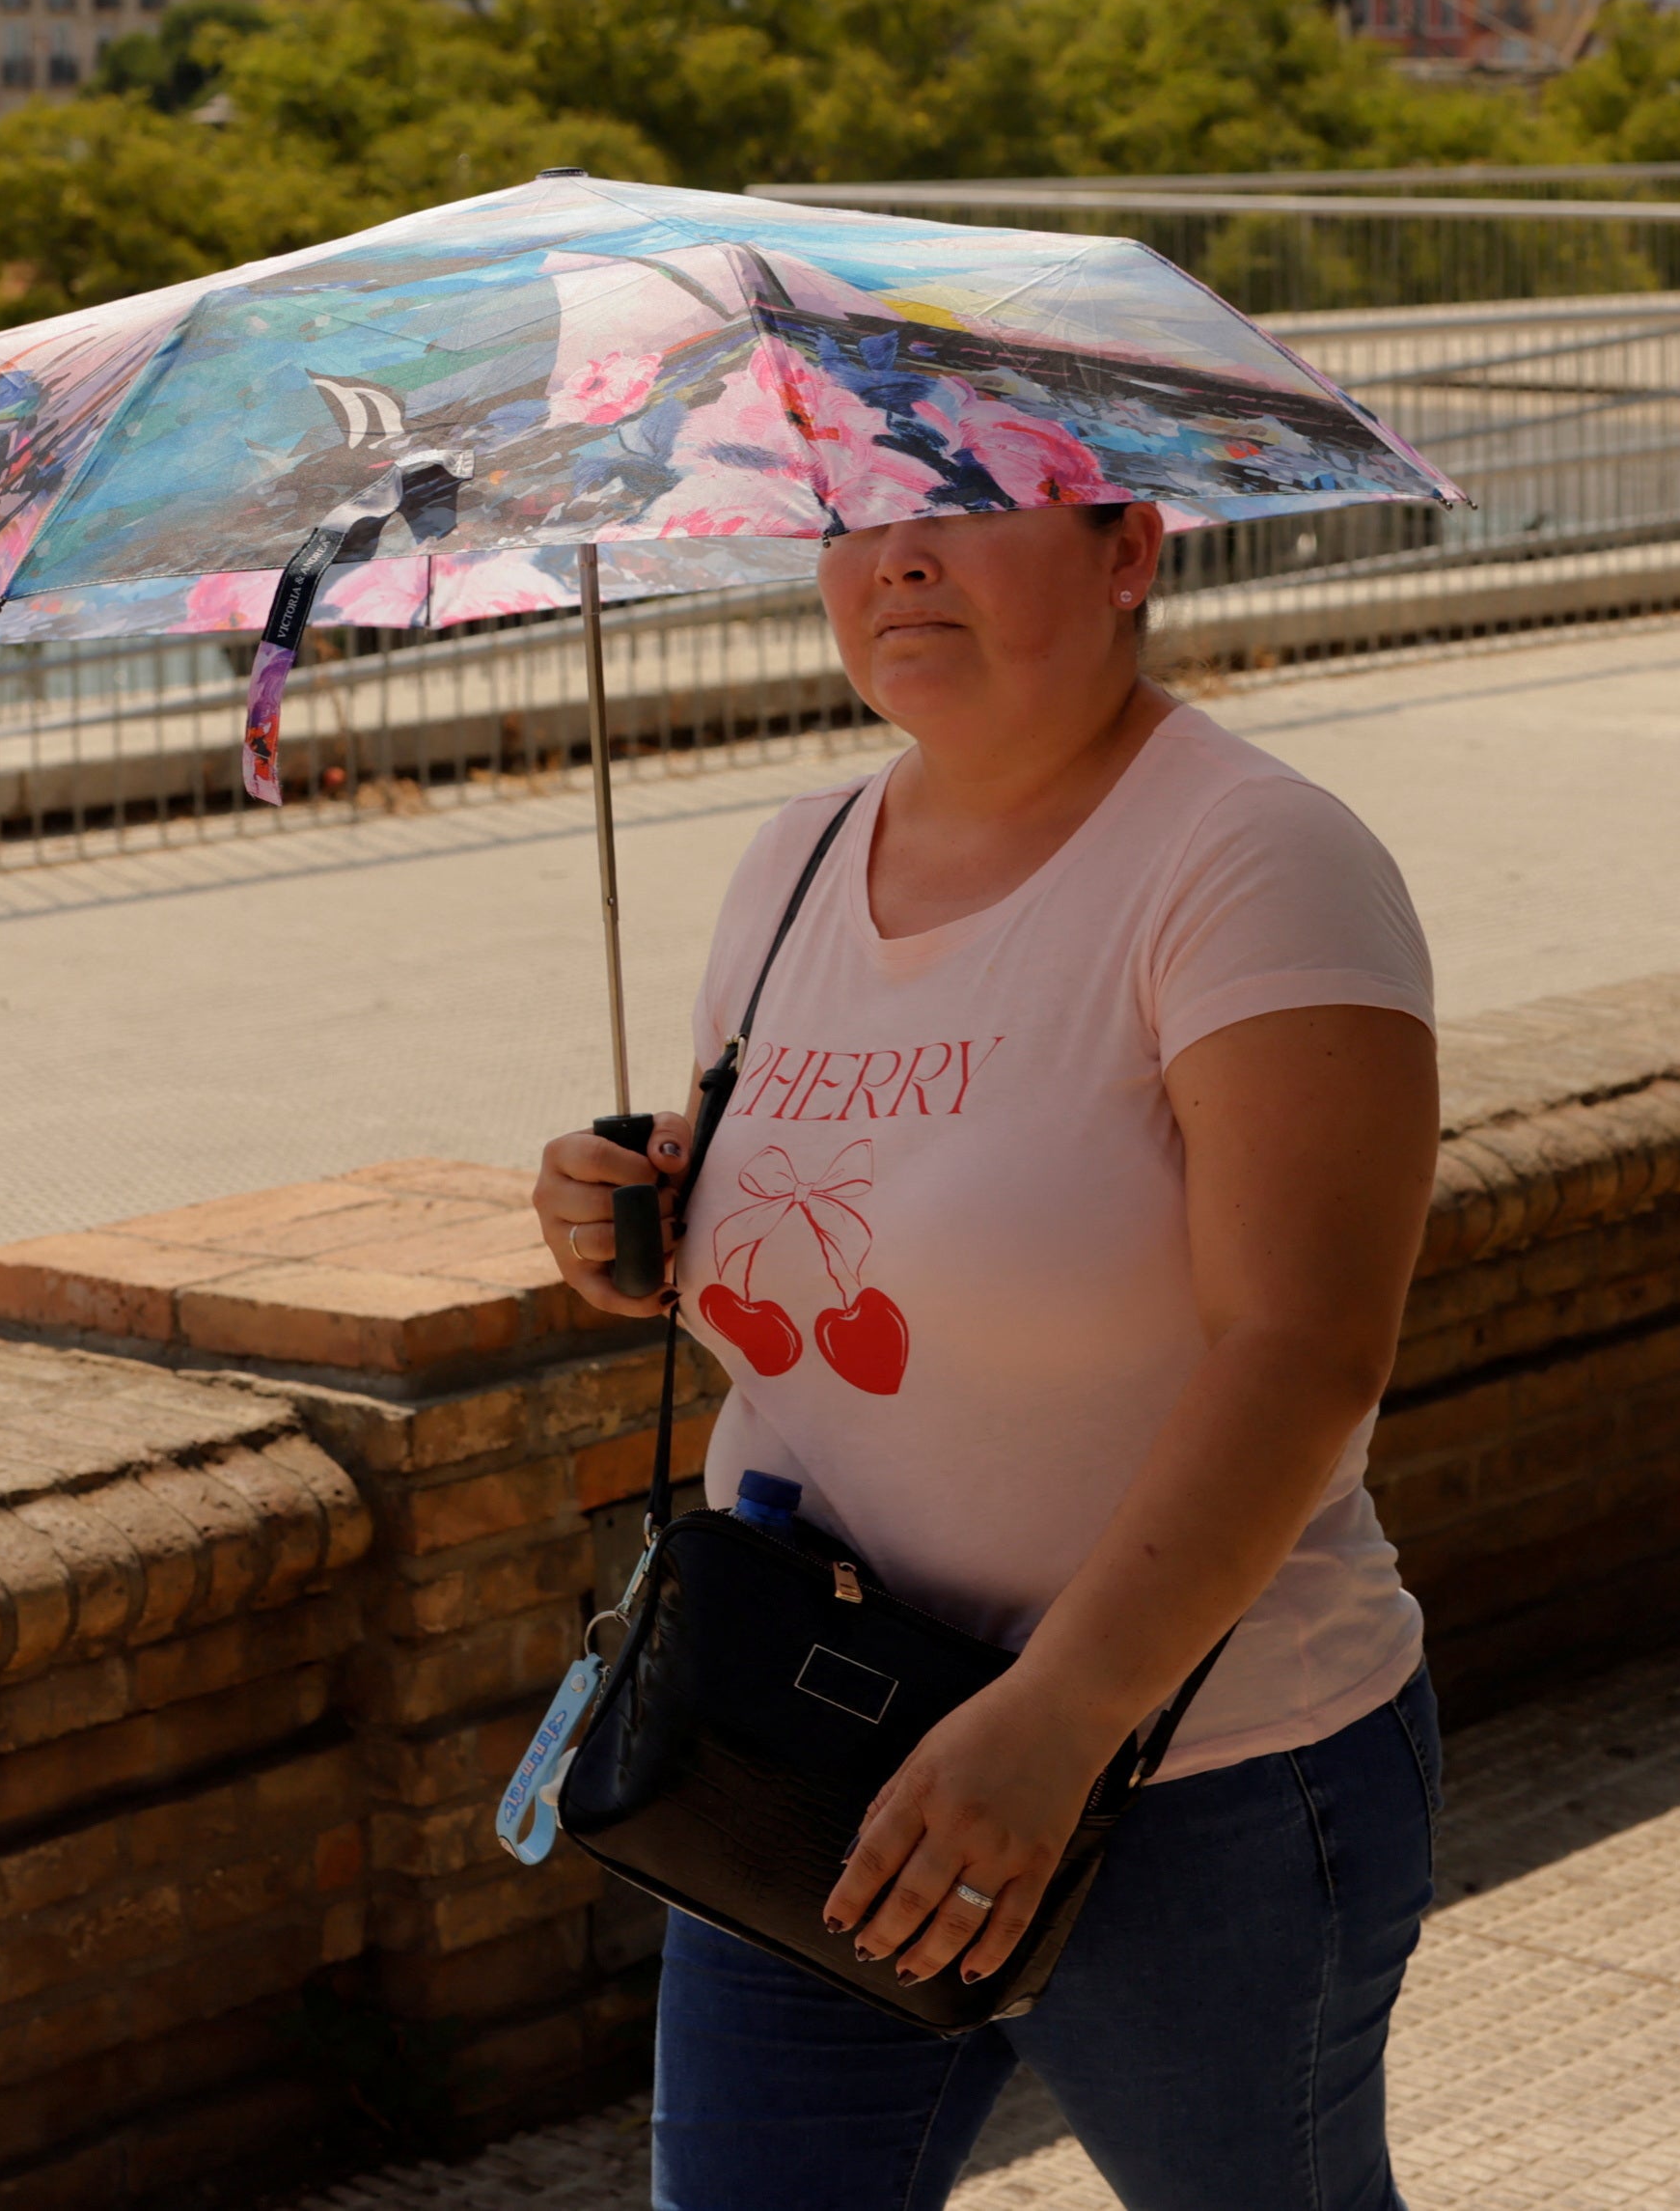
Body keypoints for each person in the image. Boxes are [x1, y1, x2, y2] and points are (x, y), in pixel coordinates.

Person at [533, 498, 1444, 2211]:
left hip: (1194, 1780)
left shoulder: (1255, 861)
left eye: (967, 510)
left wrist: (1060, 1719)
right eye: (852, 519)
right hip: (806, 1752)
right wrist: (636, 1212)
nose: (898, 560)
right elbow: (880, 1225)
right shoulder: (797, 860)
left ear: (1129, 553)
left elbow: (1310, 1348)